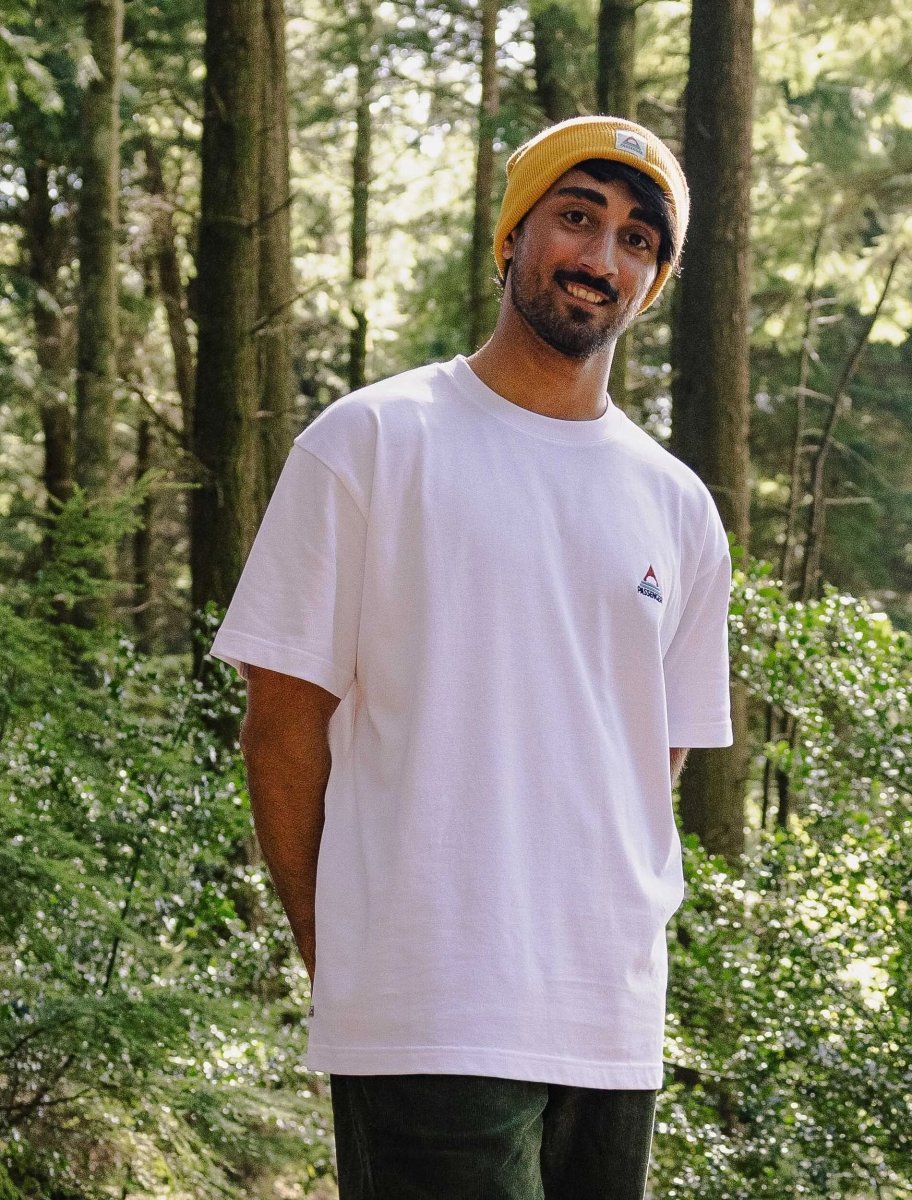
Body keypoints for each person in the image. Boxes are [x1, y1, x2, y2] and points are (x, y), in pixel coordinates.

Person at [210, 114, 733, 1199]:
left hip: (609, 1016)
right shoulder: (370, 442)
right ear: (512, 235)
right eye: (577, 217)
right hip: (427, 1004)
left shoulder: (679, 506)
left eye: (638, 239)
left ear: (654, 282)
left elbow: (656, 760)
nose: (601, 257)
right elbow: (282, 727)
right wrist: (345, 955)